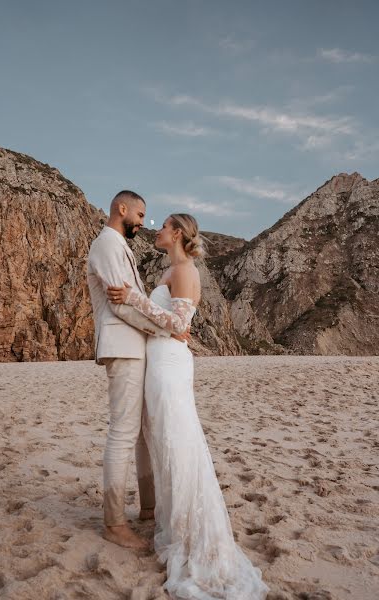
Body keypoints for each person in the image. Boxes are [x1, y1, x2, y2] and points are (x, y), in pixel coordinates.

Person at [108, 213, 269, 599]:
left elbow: (178, 323)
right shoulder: (174, 269)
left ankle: (188, 532)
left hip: (168, 363)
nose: (157, 230)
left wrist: (133, 298)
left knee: (177, 442)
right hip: (160, 361)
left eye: (163, 225)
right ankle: (175, 521)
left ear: (177, 233)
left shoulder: (184, 270)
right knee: (165, 442)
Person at [87, 190, 189, 550]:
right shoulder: (107, 245)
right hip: (123, 347)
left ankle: (148, 507)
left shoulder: (122, 246)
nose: (143, 223)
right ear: (122, 208)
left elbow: (133, 300)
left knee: (143, 430)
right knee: (123, 432)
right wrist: (167, 329)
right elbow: (122, 307)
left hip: (138, 348)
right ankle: (114, 523)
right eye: (140, 215)